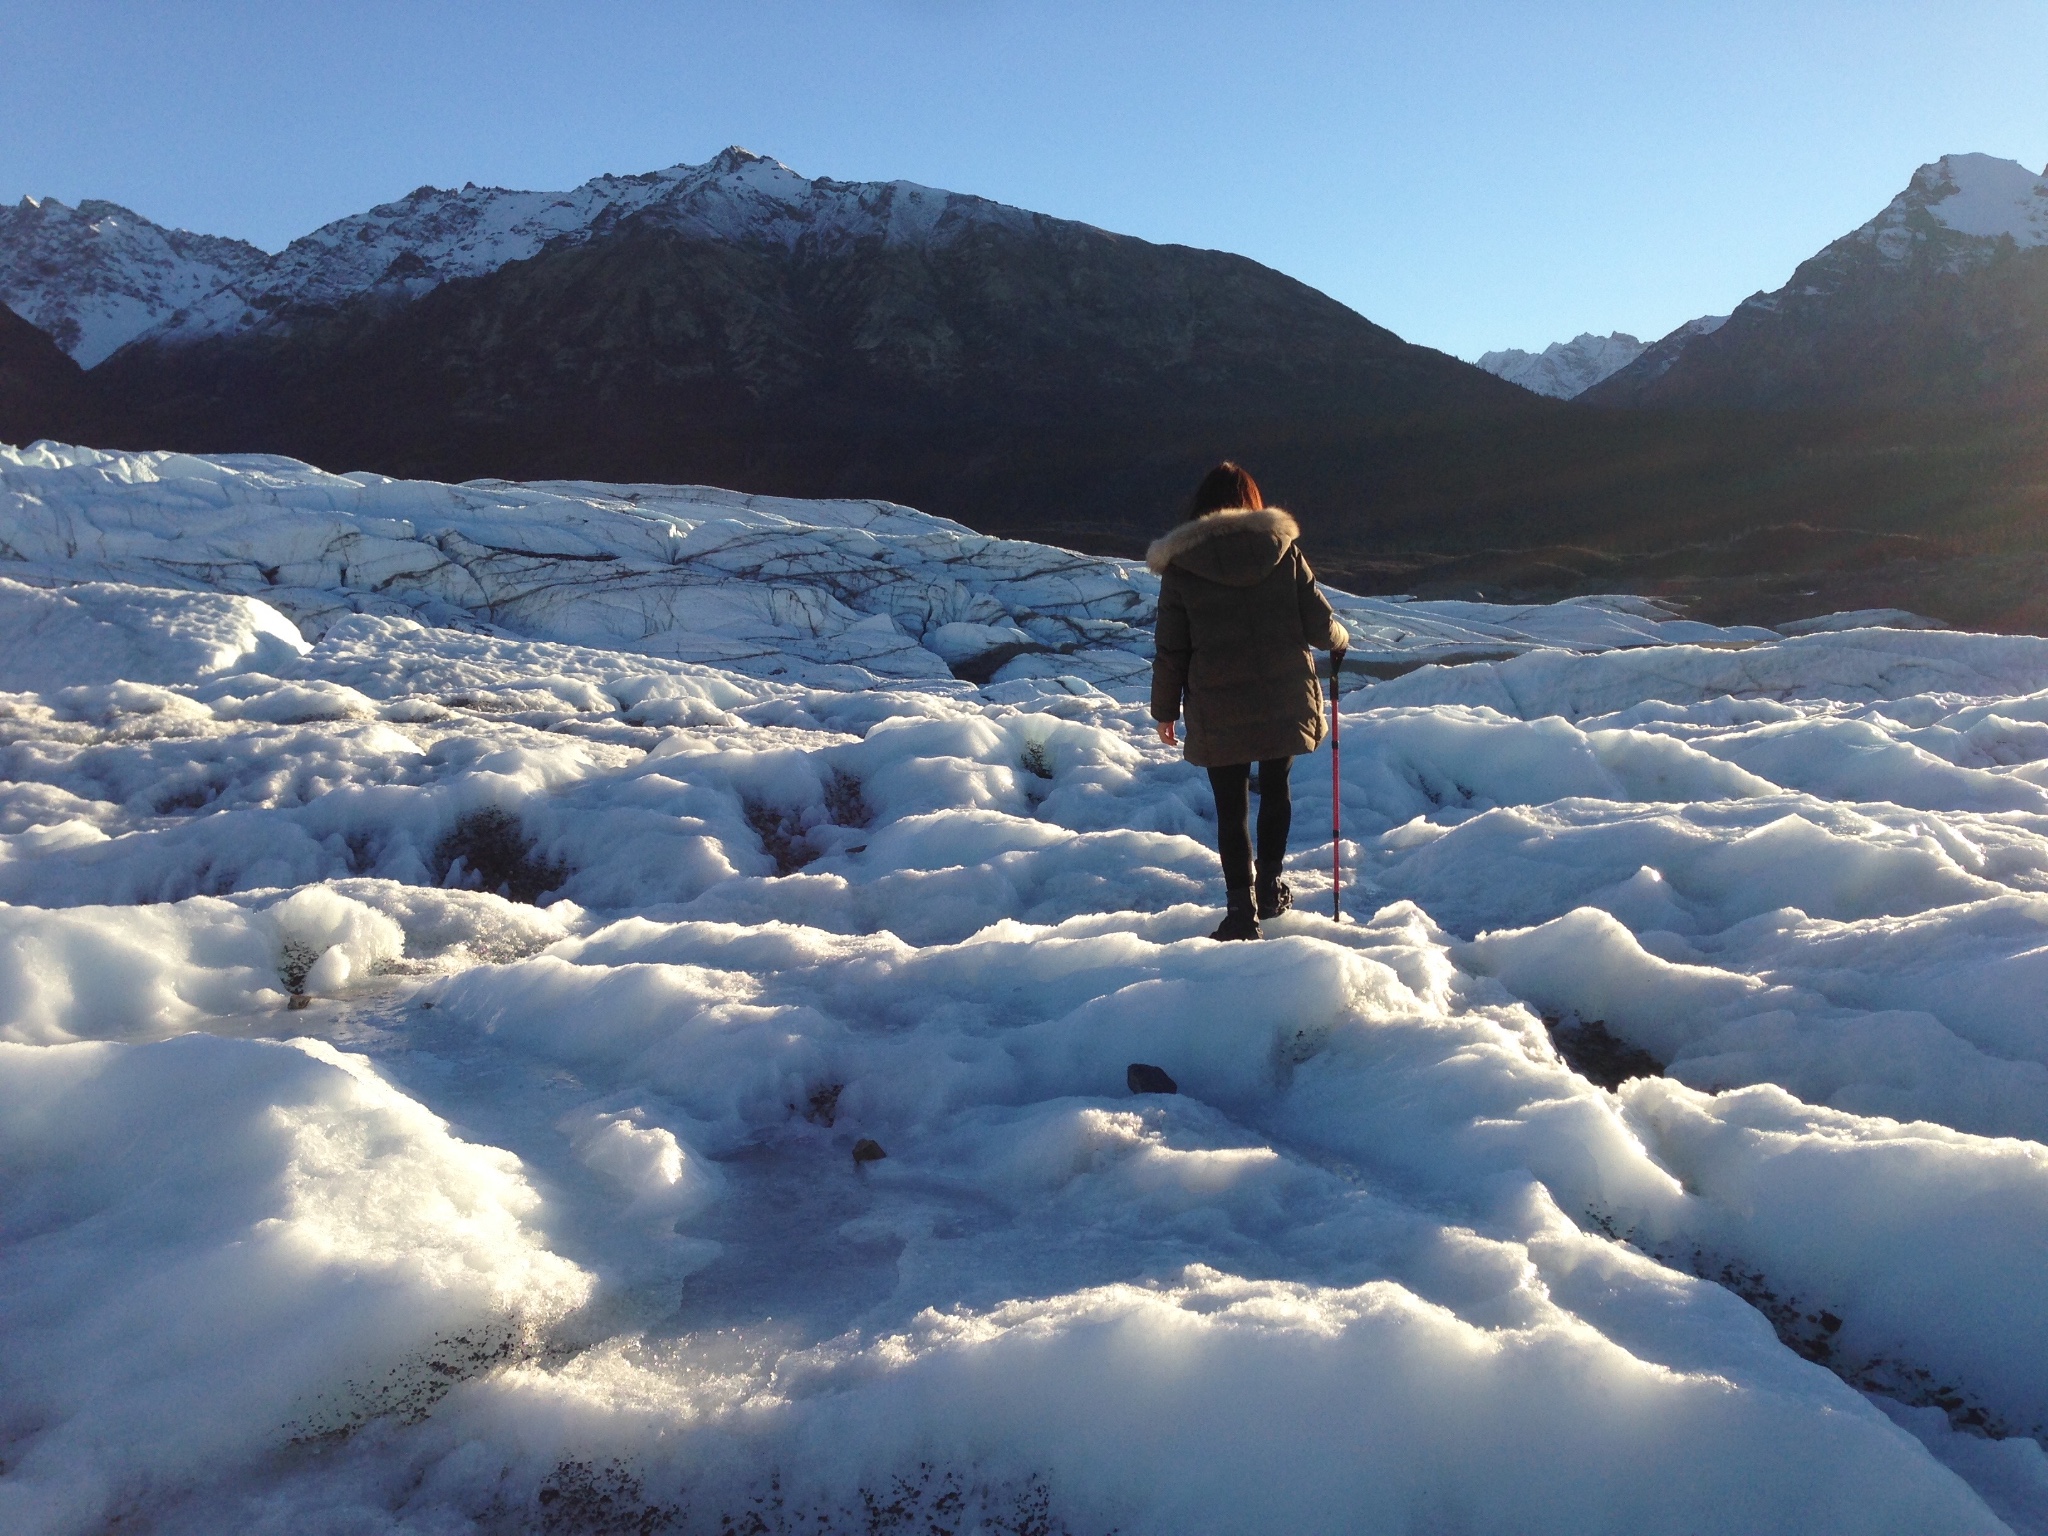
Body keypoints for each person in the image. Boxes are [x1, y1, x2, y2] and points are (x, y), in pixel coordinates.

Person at [1148, 462, 1348, 941]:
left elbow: (1171, 648)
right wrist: (1341, 639)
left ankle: (1241, 913)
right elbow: (1320, 624)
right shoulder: (1283, 553)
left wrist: (1164, 710)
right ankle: (1270, 888)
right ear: (1252, 501)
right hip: (1282, 693)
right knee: (1276, 789)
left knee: (1230, 806)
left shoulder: (1181, 567)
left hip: (1218, 705)